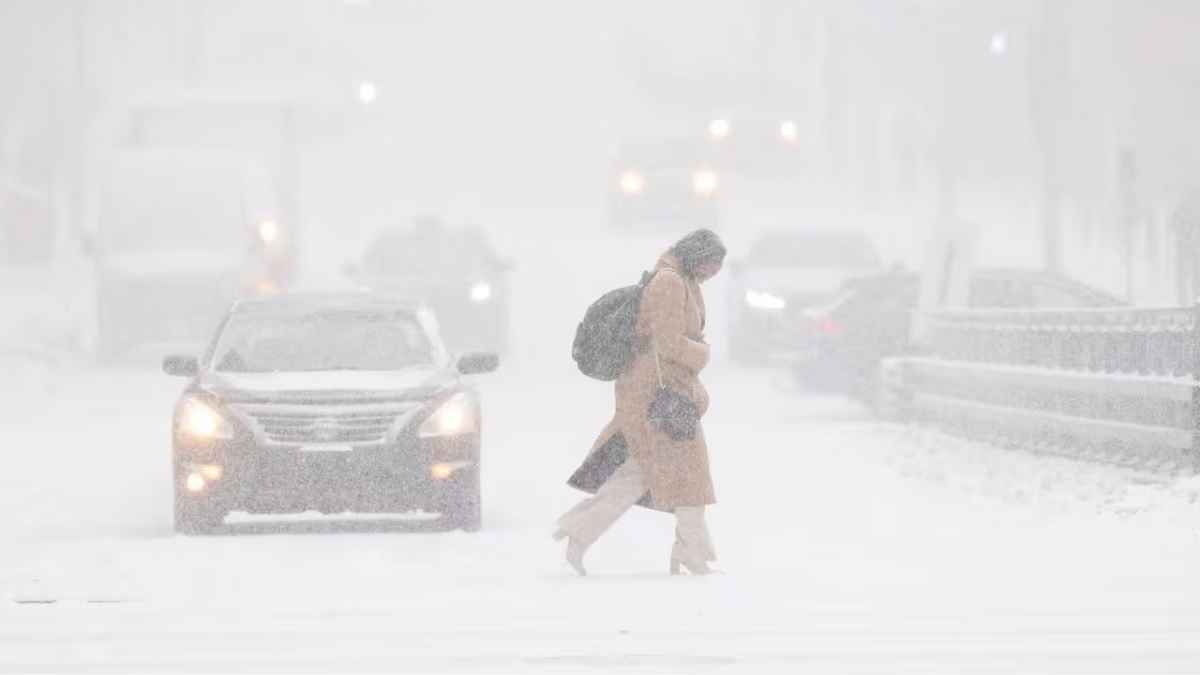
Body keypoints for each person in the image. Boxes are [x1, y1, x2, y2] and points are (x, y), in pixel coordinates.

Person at [555, 229, 727, 576]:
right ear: (697, 256)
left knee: (642, 475)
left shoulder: (683, 279)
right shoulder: (670, 283)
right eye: (711, 265)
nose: (713, 274)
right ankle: (690, 551)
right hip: (658, 397)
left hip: (663, 393)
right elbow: (668, 344)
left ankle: (581, 533)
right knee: (687, 478)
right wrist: (703, 354)